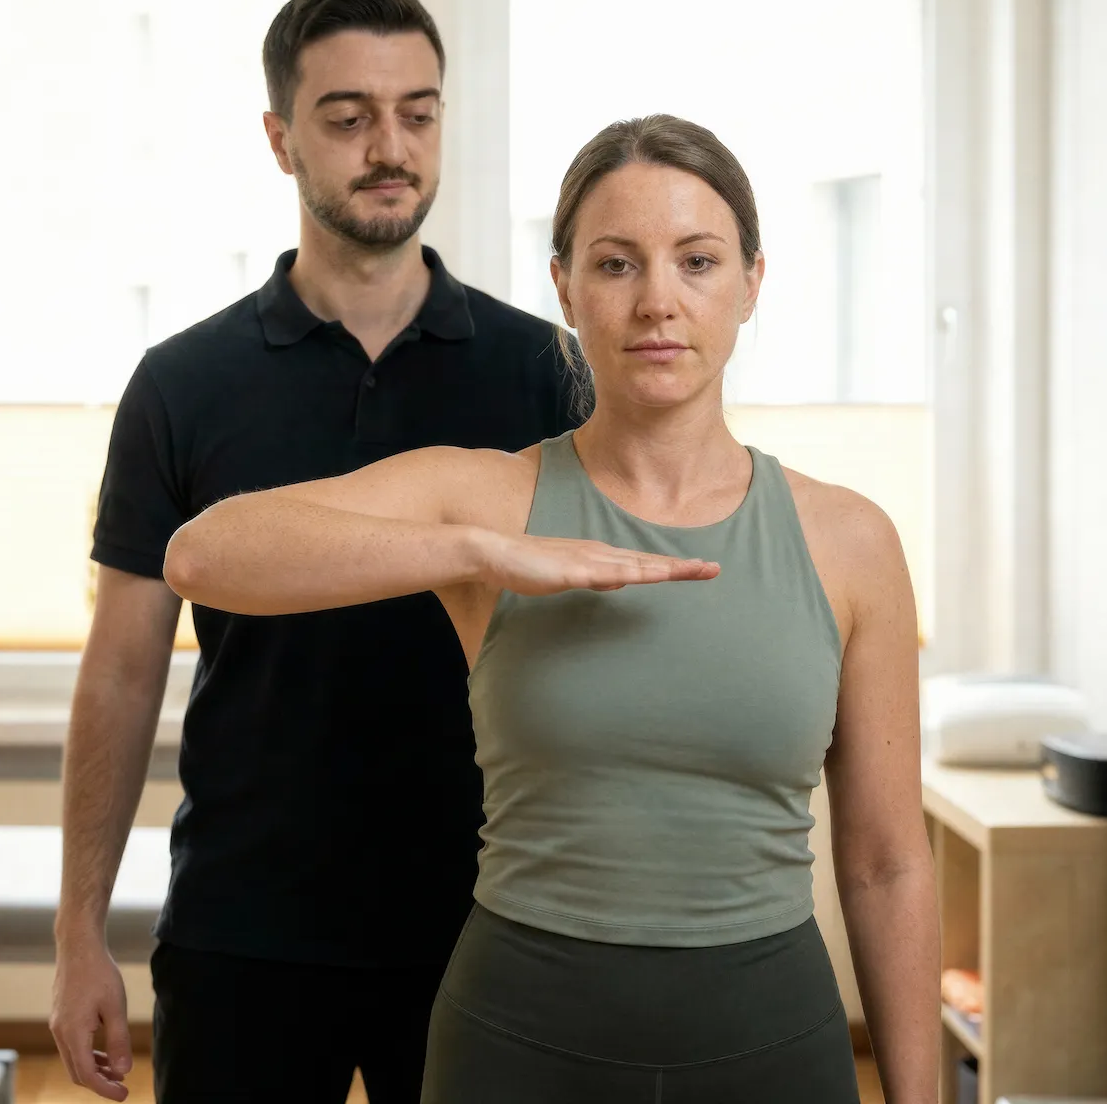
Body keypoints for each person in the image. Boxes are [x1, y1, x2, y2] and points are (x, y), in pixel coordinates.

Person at [163, 113, 942, 1104]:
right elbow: (203, 552)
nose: (658, 301)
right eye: (616, 265)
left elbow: (883, 865)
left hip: (770, 1047)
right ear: (565, 286)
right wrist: (474, 551)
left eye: (696, 261)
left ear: (751, 283)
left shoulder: (850, 541)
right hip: (517, 1045)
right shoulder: (489, 499)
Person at [49, 0, 578, 1104]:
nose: (390, 147)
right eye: (348, 117)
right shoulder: (183, 384)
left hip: (489, 921)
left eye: (419, 113)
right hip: (248, 927)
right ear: (282, 140)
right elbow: (124, 666)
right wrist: (76, 931)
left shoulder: (545, 372)